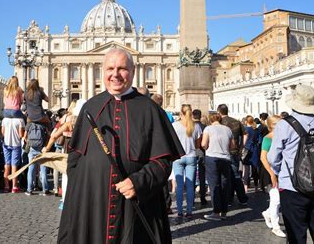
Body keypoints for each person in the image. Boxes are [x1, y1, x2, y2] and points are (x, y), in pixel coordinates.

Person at [58, 48, 184, 244]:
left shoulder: (150, 110)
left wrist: (139, 182)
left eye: (122, 69)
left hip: (135, 207)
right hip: (93, 206)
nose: (115, 74)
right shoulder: (90, 107)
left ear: (133, 72)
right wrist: (81, 193)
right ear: (102, 70)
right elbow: (75, 157)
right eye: (110, 68)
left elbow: (163, 161)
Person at [267, 85, 314, 243]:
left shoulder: (284, 125)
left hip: (292, 186)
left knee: (296, 234)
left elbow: (273, 157)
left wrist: (278, 172)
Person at [172, 104, 202, 221]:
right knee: (190, 186)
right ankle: (189, 211)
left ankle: (180, 211)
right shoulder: (196, 126)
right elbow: (198, 145)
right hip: (191, 156)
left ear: (181, 113)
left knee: (179, 186)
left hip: (178, 157)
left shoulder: (174, 126)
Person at [201, 112, 234, 221]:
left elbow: (204, 144)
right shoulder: (228, 129)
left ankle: (216, 212)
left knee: (214, 185)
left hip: (212, 158)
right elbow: (233, 145)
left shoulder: (208, 129)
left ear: (211, 120)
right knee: (224, 185)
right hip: (225, 158)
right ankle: (224, 212)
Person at [260, 115, 286, 238]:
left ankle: (267, 213)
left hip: (281, 171)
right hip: (269, 171)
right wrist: (272, 174)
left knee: (279, 199)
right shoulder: (267, 139)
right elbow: (263, 158)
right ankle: (276, 227)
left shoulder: (282, 137)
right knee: (276, 200)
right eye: (278, 124)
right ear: (272, 126)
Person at [217, 104, 249, 205]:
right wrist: (241, 147)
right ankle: (242, 198)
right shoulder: (236, 121)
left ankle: (229, 199)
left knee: (226, 176)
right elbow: (245, 134)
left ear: (219, 112)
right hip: (234, 151)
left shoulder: (219, 123)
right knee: (235, 175)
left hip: (222, 152)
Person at [1, 115, 25, 193]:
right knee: (14, 165)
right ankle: (14, 186)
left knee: (6, 164)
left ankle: (6, 186)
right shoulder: (20, 119)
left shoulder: (5, 119)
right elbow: (21, 135)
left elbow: (2, 132)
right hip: (16, 144)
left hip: (6, 143)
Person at [193, 109, 208, 205]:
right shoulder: (205, 127)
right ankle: (203, 197)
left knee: (192, 176)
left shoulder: (189, 127)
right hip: (202, 153)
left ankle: (192, 197)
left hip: (192, 153)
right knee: (202, 176)